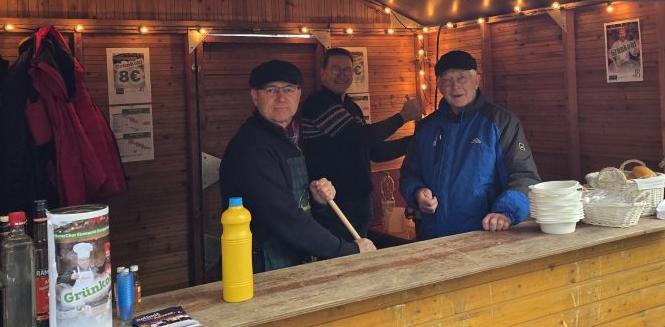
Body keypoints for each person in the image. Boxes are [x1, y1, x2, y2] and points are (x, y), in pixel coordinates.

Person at [219, 60, 376, 273]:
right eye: (271, 90)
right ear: (255, 96)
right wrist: (348, 250)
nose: (281, 98)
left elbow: (295, 203)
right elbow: (285, 217)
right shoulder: (252, 147)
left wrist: (316, 200)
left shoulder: (287, 140)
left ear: (299, 94)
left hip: (290, 261)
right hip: (260, 268)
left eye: (289, 89)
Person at [399, 51, 541, 240]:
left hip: (485, 237)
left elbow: (524, 177)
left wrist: (505, 212)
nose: (455, 86)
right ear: (439, 86)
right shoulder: (426, 127)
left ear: (476, 80)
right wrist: (417, 192)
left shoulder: (501, 122)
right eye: (447, 80)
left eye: (461, 78)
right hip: (432, 238)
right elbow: (409, 174)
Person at [302, 48, 422, 240]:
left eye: (347, 70)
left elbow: (375, 152)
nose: (342, 75)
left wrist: (416, 141)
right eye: (335, 69)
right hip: (333, 203)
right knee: (343, 254)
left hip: (361, 199)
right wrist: (403, 116)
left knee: (362, 250)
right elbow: (360, 137)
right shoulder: (318, 103)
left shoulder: (351, 106)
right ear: (322, 73)